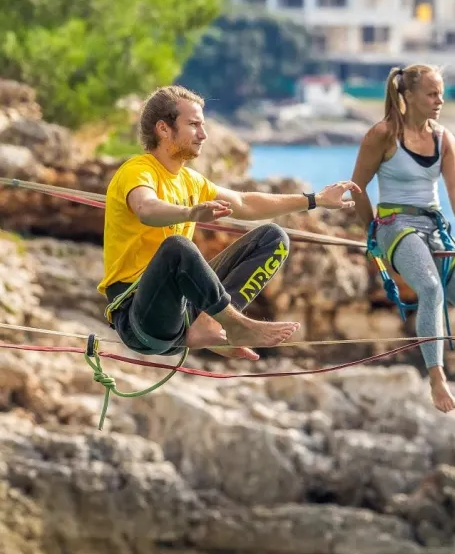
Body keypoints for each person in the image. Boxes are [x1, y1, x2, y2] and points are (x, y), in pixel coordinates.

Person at [99, 85, 359, 361]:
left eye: (203, 125)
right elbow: (146, 208)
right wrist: (189, 213)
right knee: (177, 247)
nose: (204, 134)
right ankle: (235, 324)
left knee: (273, 237)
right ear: (164, 129)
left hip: (183, 314)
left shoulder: (191, 181)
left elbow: (245, 203)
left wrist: (315, 199)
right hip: (140, 318)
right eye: (194, 125)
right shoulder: (137, 170)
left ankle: (212, 324)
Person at [350, 65, 455, 438]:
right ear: (407, 97)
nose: (439, 101)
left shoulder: (444, 139)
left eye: (441, 94)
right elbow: (357, 189)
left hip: (436, 226)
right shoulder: (382, 136)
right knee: (430, 289)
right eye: (431, 94)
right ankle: (437, 379)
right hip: (395, 225)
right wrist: (372, 233)